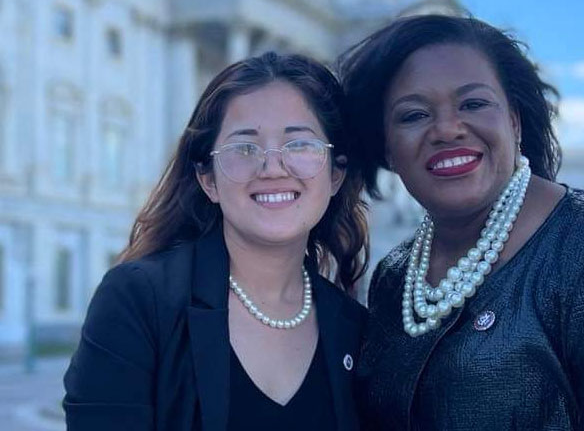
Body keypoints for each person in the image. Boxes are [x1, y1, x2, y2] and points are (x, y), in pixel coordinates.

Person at [338, 15, 584, 430]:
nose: (447, 129)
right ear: (387, 148)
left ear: (515, 121)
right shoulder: (394, 278)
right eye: (413, 115)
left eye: (473, 103)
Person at [63, 52, 369, 431]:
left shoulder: (353, 326)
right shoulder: (139, 299)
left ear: (335, 174)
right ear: (208, 180)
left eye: (298, 145)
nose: (272, 167)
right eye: (244, 148)